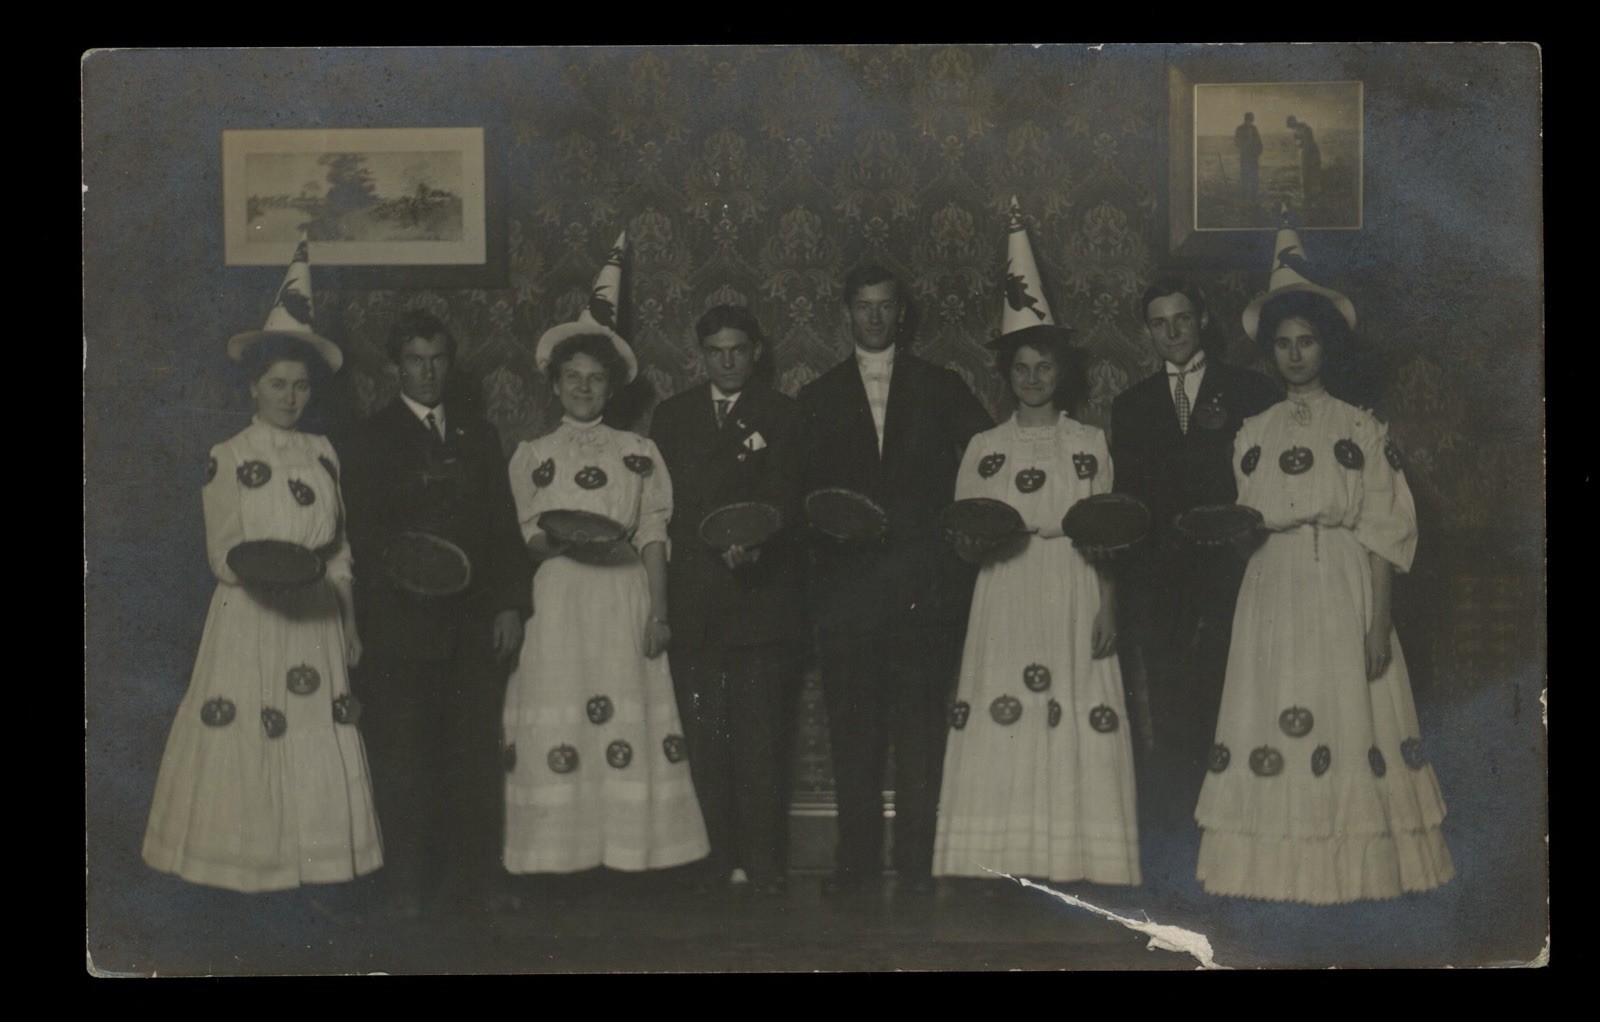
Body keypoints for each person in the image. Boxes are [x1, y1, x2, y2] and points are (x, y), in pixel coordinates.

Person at [1194, 231, 1453, 903]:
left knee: (1350, 718)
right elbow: (1249, 527)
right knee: (1273, 712)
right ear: (1270, 351)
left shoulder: (1363, 429)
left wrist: (1378, 625)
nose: (1294, 355)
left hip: (1344, 587)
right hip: (1272, 590)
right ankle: (1276, 878)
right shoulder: (1253, 434)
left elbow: (1383, 532)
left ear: (1325, 346)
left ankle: (1352, 877)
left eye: (1306, 341)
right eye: (1282, 344)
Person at [142, 293, 382, 892]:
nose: (289, 397)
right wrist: (270, 574)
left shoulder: (323, 452)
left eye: (300, 386)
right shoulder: (228, 457)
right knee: (250, 733)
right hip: (252, 616)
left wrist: (349, 623)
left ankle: (314, 869)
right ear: (253, 388)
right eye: (277, 384)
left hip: (317, 621)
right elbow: (221, 555)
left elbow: (339, 552)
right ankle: (248, 874)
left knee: (314, 732)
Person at [797, 264, 993, 898]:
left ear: (901, 313)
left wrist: (960, 542)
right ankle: (853, 872)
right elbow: (800, 499)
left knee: (919, 742)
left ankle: (916, 871)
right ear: (846, 312)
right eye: (862, 306)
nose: (874, 318)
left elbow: (990, 467)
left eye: (884, 306)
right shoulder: (818, 397)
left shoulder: (942, 386)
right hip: (848, 602)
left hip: (923, 594)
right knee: (854, 740)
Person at [339, 310, 533, 919]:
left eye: (438, 360)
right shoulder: (369, 438)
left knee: (473, 758)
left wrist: (508, 605)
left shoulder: (480, 435)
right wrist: (409, 581)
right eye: (415, 361)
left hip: (473, 628)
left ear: (450, 364)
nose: (427, 372)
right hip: (401, 630)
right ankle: (406, 888)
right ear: (397, 366)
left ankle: (474, 884)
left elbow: (503, 529)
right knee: (405, 760)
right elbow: (364, 539)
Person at [934, 324, 1139, 886]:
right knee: (1008, 710)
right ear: (1007, 375)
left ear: (1062, 373)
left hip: (1074, 583)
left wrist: (1108, 607)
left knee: (1072, 706)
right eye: (1021, 368)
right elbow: (964, 530)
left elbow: (1108, 533)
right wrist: (971, 542)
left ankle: (1075, 859)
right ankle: (1005, 859)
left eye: (1044, 368)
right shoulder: (985, 447)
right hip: (1005, 585)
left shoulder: (1090, 443)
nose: (1032, 379)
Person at [502, 330, 710, 876]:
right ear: (554, 382)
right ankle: (560, 856)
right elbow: (529, 534)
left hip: (623, 596)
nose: (584, 387)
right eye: (573, 376)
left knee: (625, 714)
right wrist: (565, 540)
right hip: (562, 599)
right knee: (564, 715)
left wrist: (659, 614)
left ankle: (629, 852)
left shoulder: (639, 453)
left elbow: (653, 535)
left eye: (596, 378)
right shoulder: (532, 456)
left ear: (611, 387)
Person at [1109, 277, 1279, 830]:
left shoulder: (1250, 392)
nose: (1172, 331)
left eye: (1182, 318)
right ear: (1148, 332)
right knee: (1171, 710)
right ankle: (1177, 840)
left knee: (1236, 704)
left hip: (1234, 577)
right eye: (1159, 323)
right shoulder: (1131, 406)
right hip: (1160, 586)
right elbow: (1130, 503)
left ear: (1203, 319)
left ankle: (1234, 832)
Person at [650, 304, 805, 897]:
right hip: (695, 601)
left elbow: (788, 497)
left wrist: (759, 547)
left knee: (761, 739)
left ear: (757, 351)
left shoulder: (785, 415)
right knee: (705, 736)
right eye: (716, 350)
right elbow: (661, 507)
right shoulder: (673, 415)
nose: (728, 360)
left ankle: (764, 867)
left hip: (760, 601)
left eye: (738, 348)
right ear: (701, 353)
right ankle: (717, 861)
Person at [1286, 115, 1322, 202]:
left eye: (1291, 125)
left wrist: (1300, 145)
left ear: (1293, 122)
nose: (1291, 128)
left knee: (1309, 176)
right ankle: (1310, 197)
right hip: (1309, 153)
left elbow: (1305, 143)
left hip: (1309, 154)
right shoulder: (1300, 130)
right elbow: (1300, 143)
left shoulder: (1304, 129)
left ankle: (1309, 198)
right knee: (1310, 176)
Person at [1234, 112, 1263, 207]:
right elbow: (1236, 142)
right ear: (1245, 119)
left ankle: (1254, 200)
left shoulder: (1254, 129)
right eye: (1249, 120)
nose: (1250, 122)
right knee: (1244, 179)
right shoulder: (1240, 129)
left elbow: (1259, 142)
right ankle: (1244, 201)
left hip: (1254, 158)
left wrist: (1258, 152)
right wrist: (1244, 148)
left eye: (1251, 120)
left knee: (1254, 179)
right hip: (1245, 158)